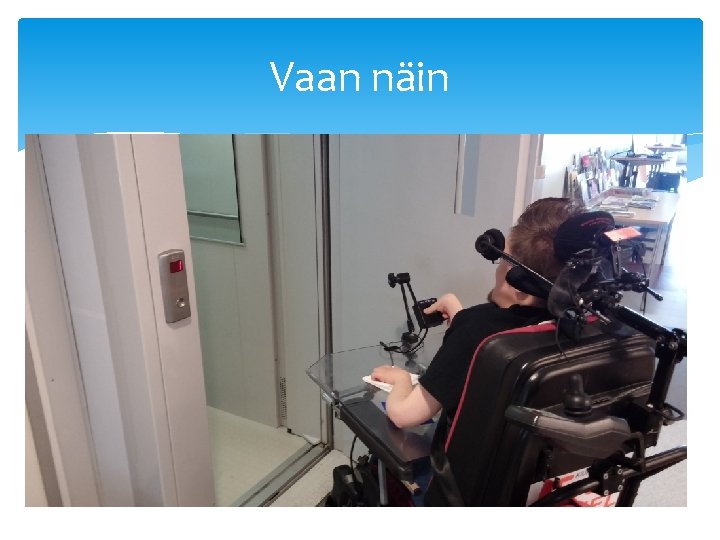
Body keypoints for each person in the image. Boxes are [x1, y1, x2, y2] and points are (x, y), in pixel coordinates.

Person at [370, 197, 585, 505]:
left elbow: (405, 415)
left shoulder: (474, 329)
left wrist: (401, 379)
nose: (498, 269)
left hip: (464, 489)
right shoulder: (572, 324)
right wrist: (460, 316)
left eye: (502, 260)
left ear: (518, 283)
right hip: (529, 481)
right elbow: (499, 341)